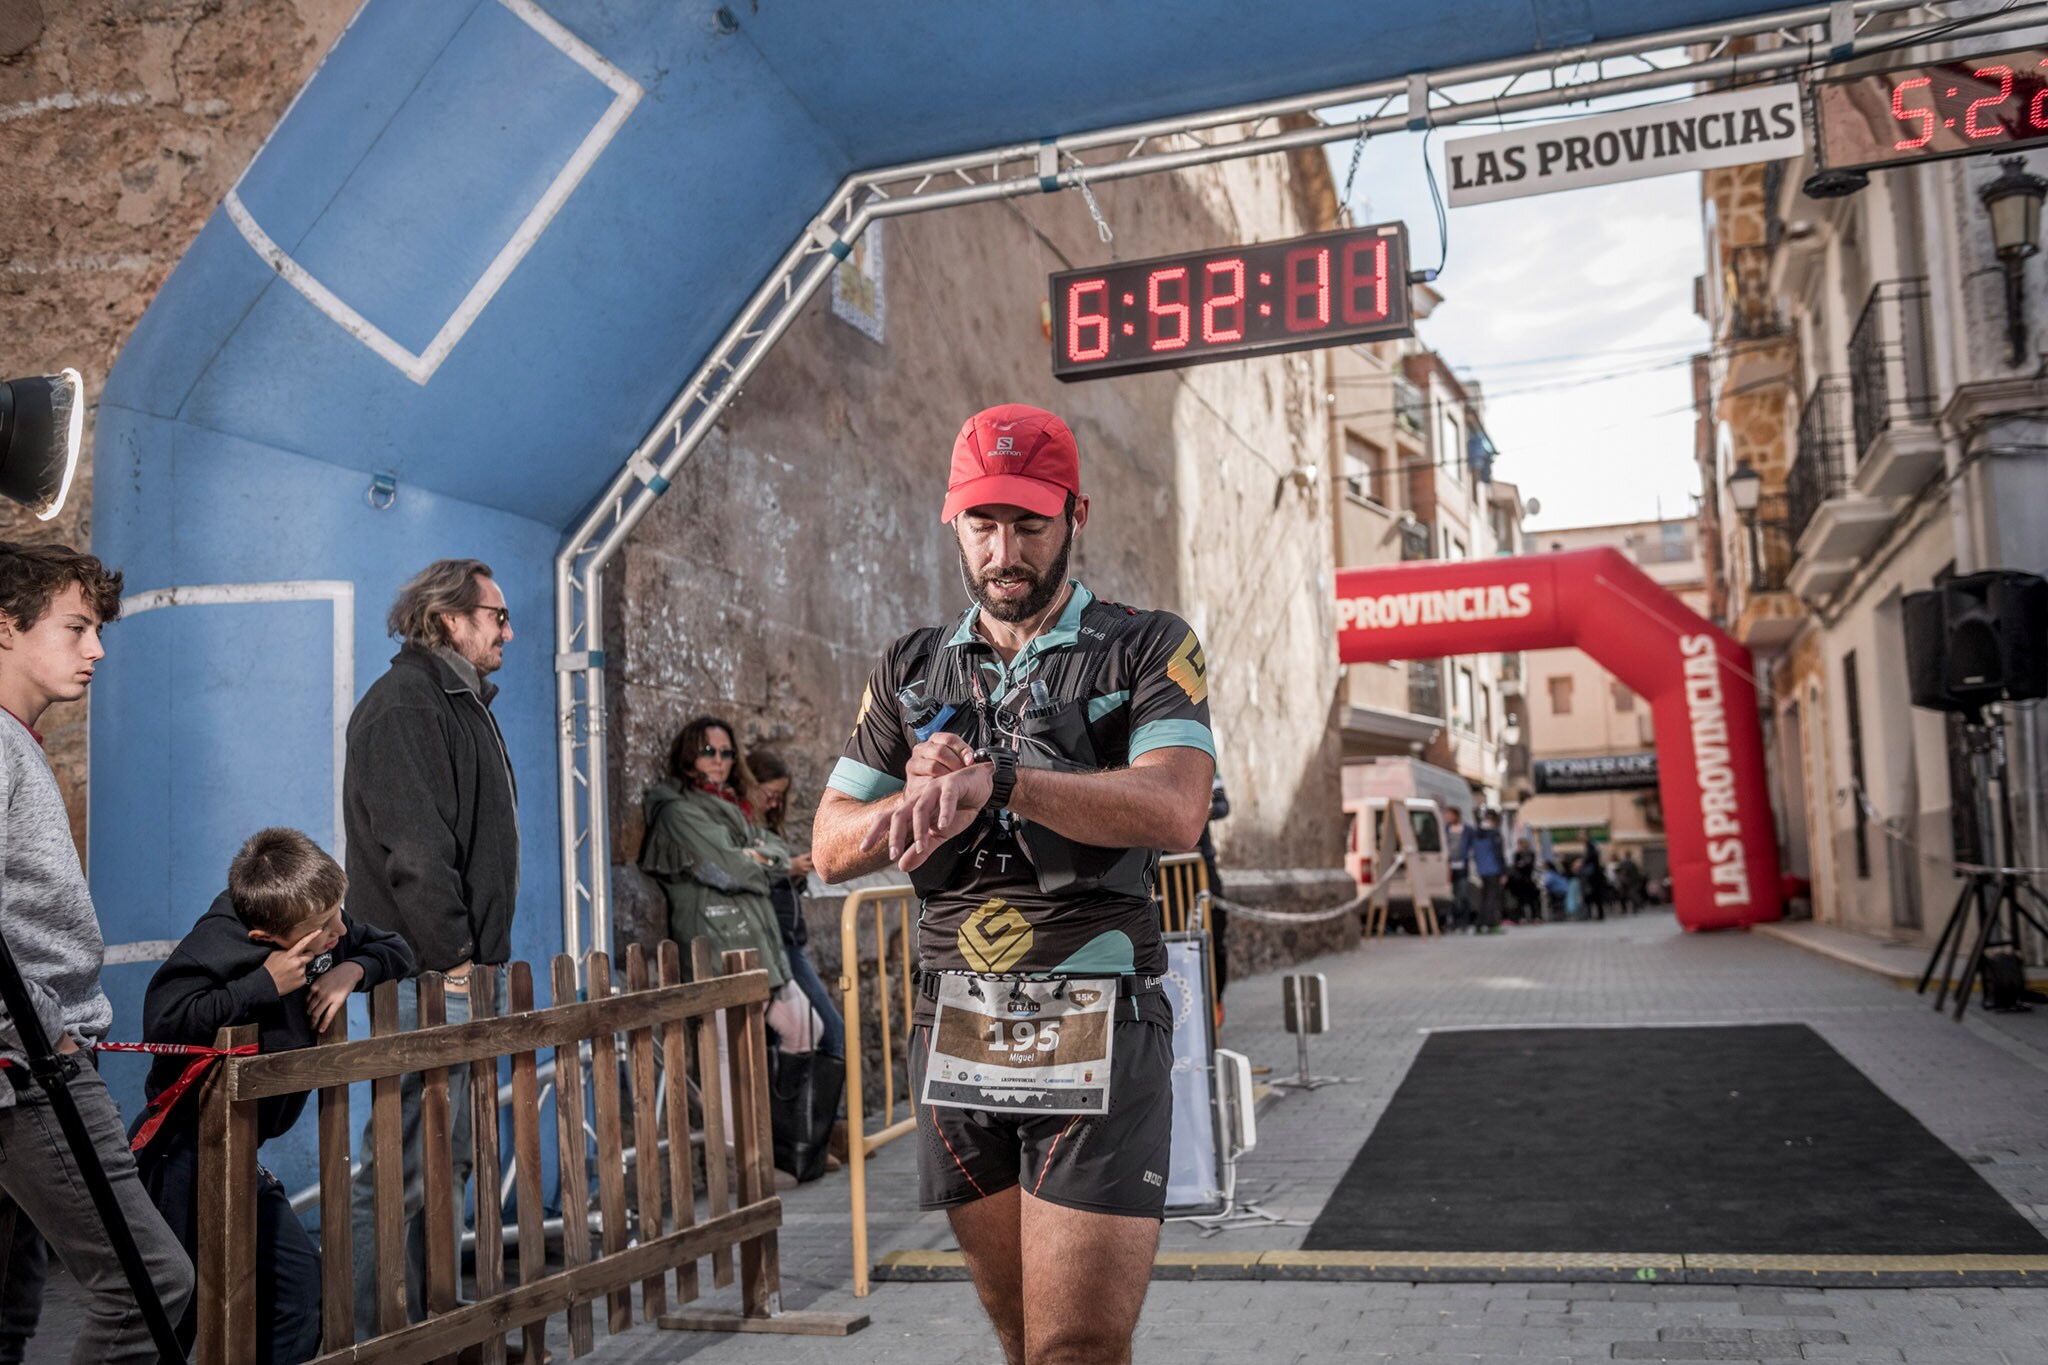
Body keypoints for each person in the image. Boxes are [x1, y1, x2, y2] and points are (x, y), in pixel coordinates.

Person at [812, 403, 1215, 1365]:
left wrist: (998, 779)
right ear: (953, 521)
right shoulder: (912, 668)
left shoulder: (1146, 644)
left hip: (1100, 1016)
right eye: (983, 523)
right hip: (958, 1029)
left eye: (1030, 523)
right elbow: (829, 846)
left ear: (1076, 513)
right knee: (1020, 1338)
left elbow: (1174, 807)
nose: (1005, 550)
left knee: (1075, 1344)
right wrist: (911, 801)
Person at [0, 540, 194, 1364]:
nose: (98, 648)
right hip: (29, 1067)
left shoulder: (18, 745)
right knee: (150, 1284)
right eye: (76, 627)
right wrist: (38, 1034)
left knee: (9, 1313)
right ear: (5, 627)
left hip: (30, 1055)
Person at [135, 827, 414, 1362]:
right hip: (181, 1156)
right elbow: (164, 1021)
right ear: (268, 938)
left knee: (300, 1294)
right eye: (323, 928)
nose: (339, 930)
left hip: (243, 1156)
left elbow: (393, 946)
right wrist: (261, 986)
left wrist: (352, 970)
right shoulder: (217, 941)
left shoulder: (325, 928)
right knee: (178, 1311)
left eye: (340, 914)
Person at [344, 558, 520, 1340]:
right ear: (448, 617)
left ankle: (432, 1331)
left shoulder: (455, 700)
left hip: (454, 972)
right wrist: (455, 962)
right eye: (496, 615)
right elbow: (414, 852)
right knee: (402, 1172)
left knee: (445, 1167)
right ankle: (377, 1335)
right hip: (427, 976)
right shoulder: (407, 705)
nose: (507, 631)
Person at [637, 717, 792, 991]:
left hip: (752, 937)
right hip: (713, 941)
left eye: (726, 752)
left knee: (804, 1030)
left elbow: (777, 847)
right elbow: (732, 871)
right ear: (689, 756)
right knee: (726, 1033)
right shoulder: (679, 811)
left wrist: (760, 856)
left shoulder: (732, 804)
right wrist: (753, 858)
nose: (718, 760)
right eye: (708, 751)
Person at [747, 749, 844, 1058]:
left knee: (799, 1038)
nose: (776, 802)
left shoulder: (769, 827)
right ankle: (809, 1107)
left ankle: (807, 1106)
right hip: (771, 944)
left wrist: (795, 876)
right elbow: (745, 878)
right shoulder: (741, 828)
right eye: (771, 793)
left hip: (787, 941)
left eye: (781, 796)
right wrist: (785, 868)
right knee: (828, 1033)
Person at [1197, 773, 1230, 1009]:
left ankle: (1215, 1002)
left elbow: (1223, 806)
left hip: (1201, 863)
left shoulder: (1200, 753)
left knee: (1215, 932)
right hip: (1159, 869)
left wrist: (1196, 810)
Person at [1459, 809, 1508, 934]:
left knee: (1484, 898)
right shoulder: (1494, 833)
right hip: (1493, 869)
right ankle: (1491, 924)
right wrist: (1504, 871)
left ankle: (1480, 924)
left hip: (1482, 869)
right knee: (1492, 898)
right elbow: (1499, 854)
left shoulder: (1476, 833)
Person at [1442, 805, 1472, 932]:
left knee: (1463, 895)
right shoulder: (1445, 829)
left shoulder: (1466, 830)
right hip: (1449, 867)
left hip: (1462, 866)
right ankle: (1454, 922)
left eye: (1449, 814)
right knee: (1453, 896)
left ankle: (1463, 922)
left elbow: (1471, 846)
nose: (1447, 817)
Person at [1507, 836, 1540, 924]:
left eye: (1520, 844)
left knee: (1532, 899)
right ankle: (1522, 917)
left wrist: (1522, 865)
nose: (1519, 846)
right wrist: (1522, 865)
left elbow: (1529, 866)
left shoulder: (1531, 853)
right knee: (1520, 900)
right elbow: (1516, 866)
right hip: (1519, 881)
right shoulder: (1517, 854)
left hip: (1529, 880)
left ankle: (1535, 917)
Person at [1581, 839, 1610, 922]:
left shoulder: (1591, 863)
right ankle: (1598, 914)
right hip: (1596, 881)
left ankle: (1593, 914)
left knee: (1593, 897)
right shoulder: (1596, 860)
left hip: (1593, 881)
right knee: (1597, 898)